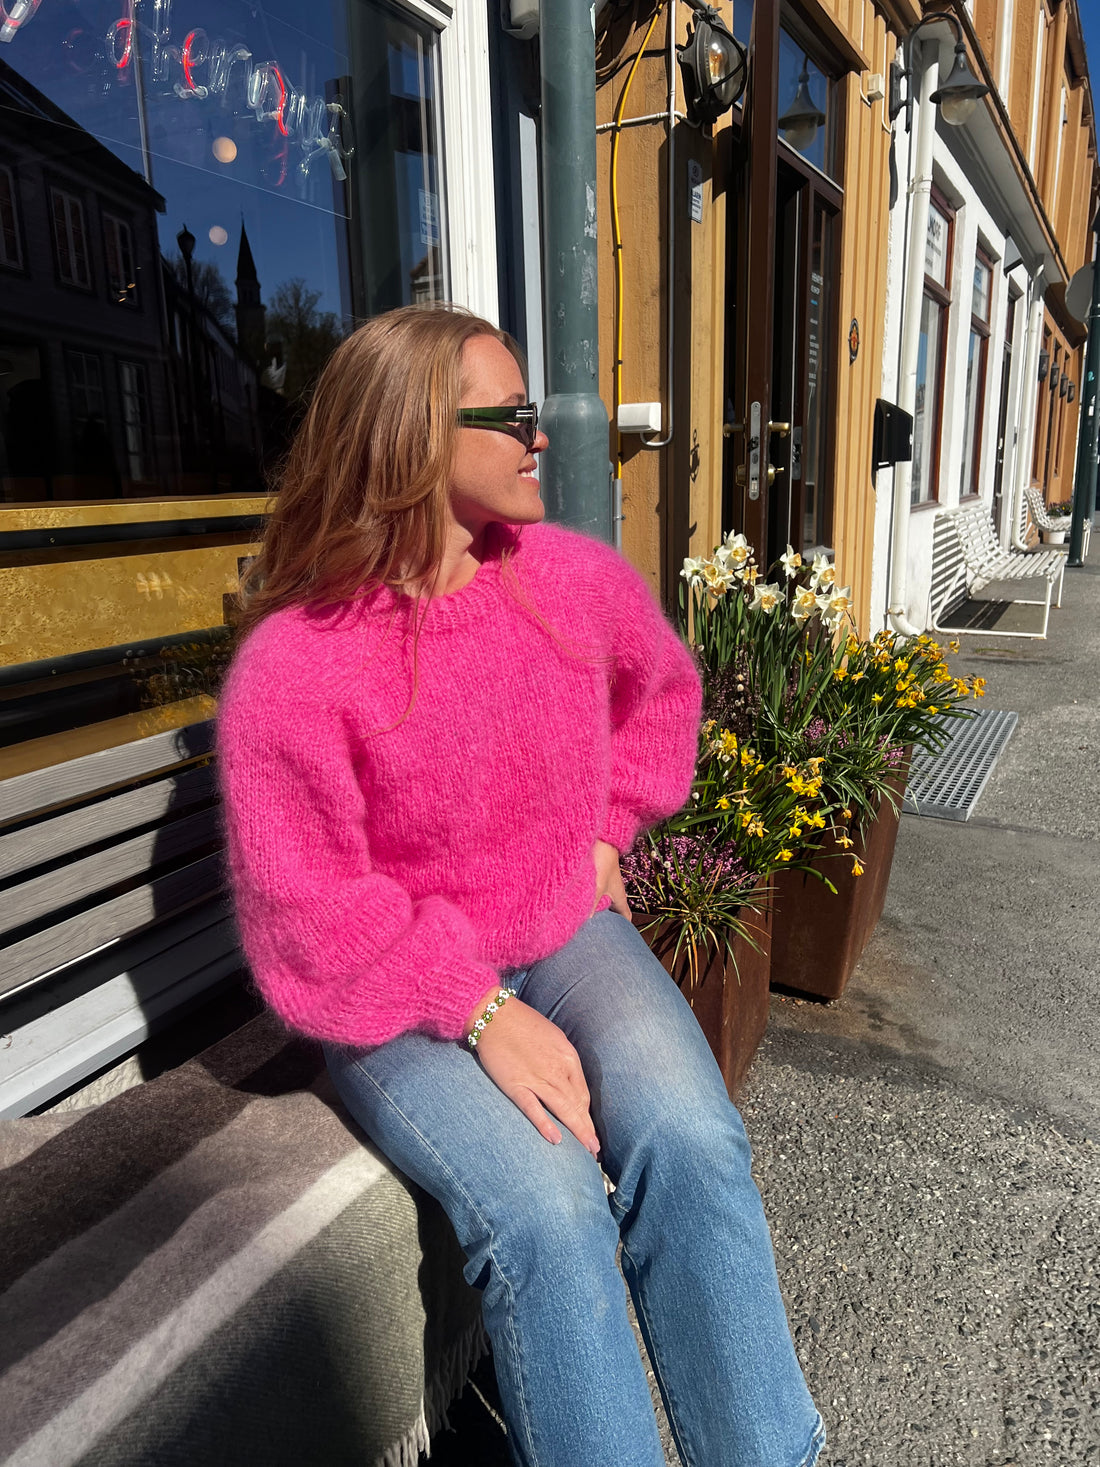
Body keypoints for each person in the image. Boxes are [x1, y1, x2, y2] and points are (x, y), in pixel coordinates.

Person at [218, 303, 825, 1467]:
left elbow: (662, 693)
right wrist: (481, 1011)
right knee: (545, 1214)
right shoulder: (294, 669)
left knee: (691, 1140)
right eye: (508, 416)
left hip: (562, 932)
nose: (536, 436)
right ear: (409, 441)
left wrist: (609, 828)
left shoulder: (568, 581)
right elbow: (310, 919)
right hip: (389, 997)